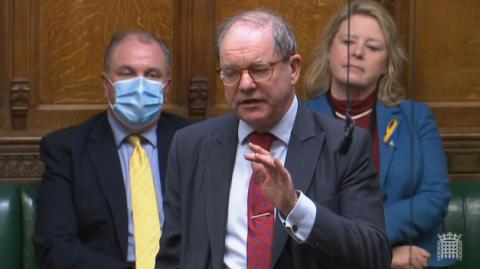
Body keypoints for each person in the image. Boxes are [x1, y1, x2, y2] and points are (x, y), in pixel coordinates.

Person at [156, 9, 390, 269]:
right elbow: (172, 256)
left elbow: (373, 254)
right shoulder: (190, 145)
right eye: (231, 73)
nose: (245, 85)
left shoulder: (344, 146)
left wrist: (295, 207)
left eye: (260, 69)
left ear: (293, 69)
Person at [303, 1, 453, 268]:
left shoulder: (416, 118)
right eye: (348, 42)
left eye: (372, 47)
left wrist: (374, 238)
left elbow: (435, 195)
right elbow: (301, 208)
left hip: (413, 259)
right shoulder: (300, 120)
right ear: (329, 50)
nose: (357, 52)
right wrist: (378, 252)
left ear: (387, 64)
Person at [34, 29, 189, 269]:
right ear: (106, 84)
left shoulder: (194, 142)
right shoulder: (67, 150)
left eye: (151, 74)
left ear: (166, 87)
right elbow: (55, 247)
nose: (140, 85)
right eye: (127, 73)